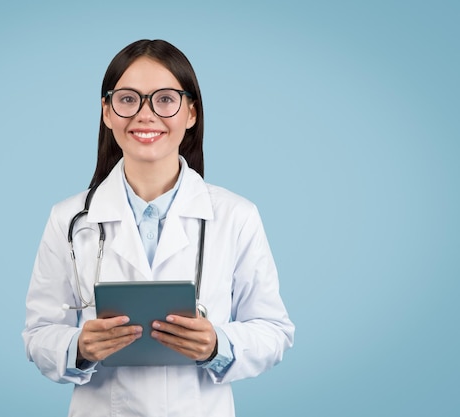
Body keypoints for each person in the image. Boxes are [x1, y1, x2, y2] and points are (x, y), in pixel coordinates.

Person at [22, 39, 294, 417]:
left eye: (165, 99)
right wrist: (78, 348)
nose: (145, 115)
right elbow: (39, 334)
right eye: (128, 99)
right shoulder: (69, 219)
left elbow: (274, 331)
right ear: (107, 111)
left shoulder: (236, 215)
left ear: (191, 113)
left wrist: (218, 345)